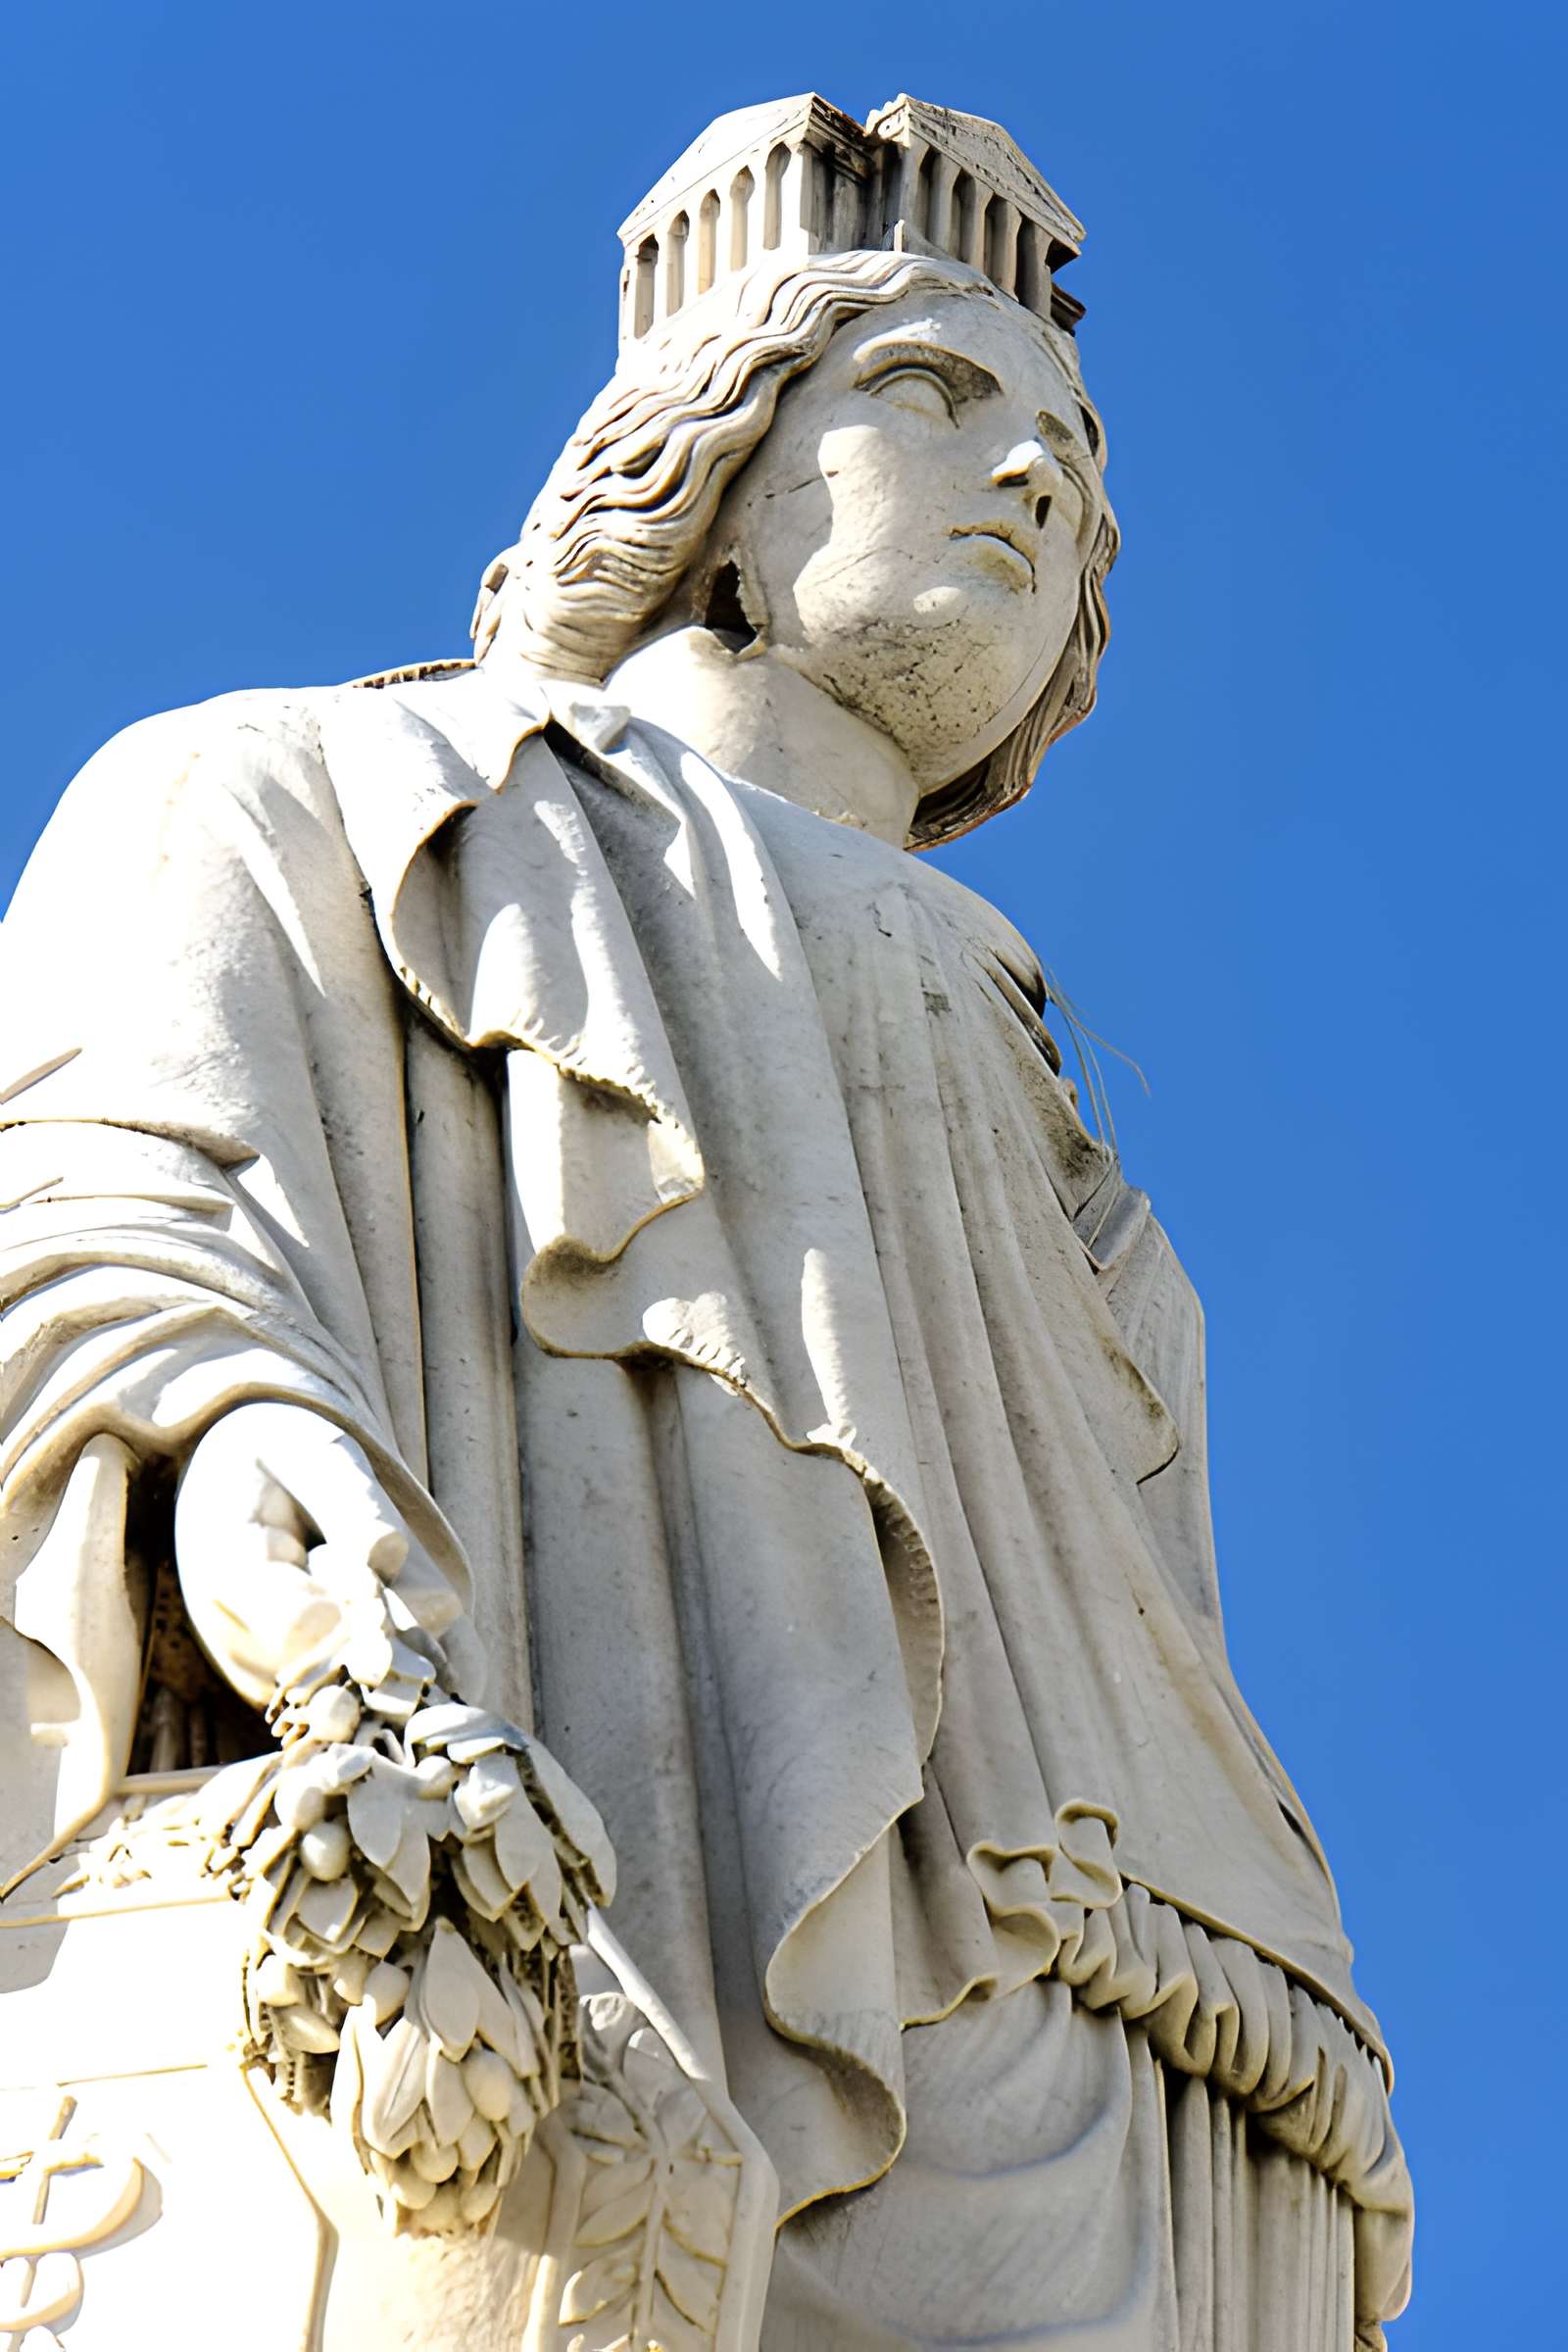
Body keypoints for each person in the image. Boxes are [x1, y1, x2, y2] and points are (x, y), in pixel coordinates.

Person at [0, 240, 1411, 2345]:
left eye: (1078, 468)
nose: (1032, 474)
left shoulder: (1072, 1132)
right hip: (567, 1827)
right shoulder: (297, 783)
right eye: (933, 395)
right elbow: (96, 1174)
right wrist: (233, 1417)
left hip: (1125, 2037)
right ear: (712, 481)